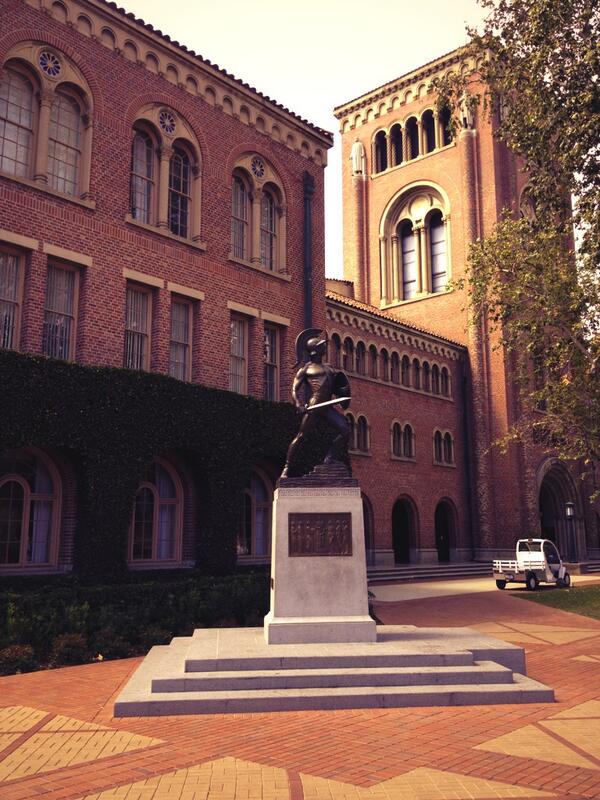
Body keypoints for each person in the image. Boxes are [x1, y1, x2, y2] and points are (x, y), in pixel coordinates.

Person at [280, 328, 351, 479]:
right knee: (301, 436)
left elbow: (338, 387)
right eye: (322, 346)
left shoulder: (330, 368)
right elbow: (294, 388)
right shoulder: (306, 369)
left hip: (327, 406)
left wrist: (343, 393)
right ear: (315, 350)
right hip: (314, 406)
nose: (325, 347)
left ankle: (330, 458)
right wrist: (298, 403)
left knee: (345, 430)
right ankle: (287, 467)